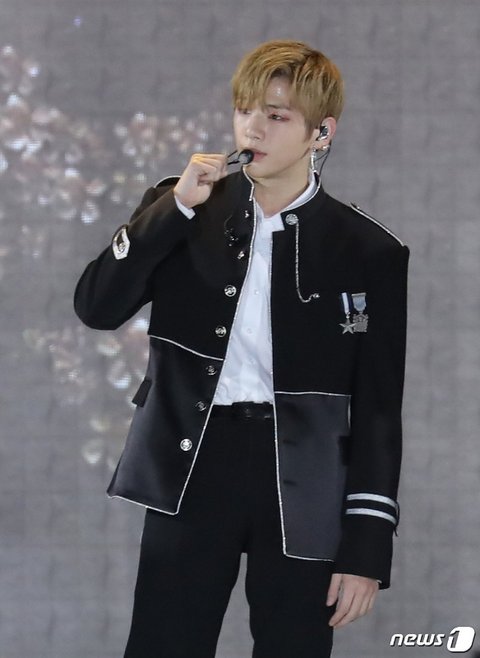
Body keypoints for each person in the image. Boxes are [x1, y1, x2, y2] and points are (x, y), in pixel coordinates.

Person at [74, 39, 409, 658]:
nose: (254, 128)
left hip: (306, 480)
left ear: (321, 133)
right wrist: (172, 209)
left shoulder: (370, 251)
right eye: (245, 110)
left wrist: (366, 545)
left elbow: (380, 408)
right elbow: (96, 307)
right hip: (193, 460)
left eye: (277, 116)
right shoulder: (181, 208)